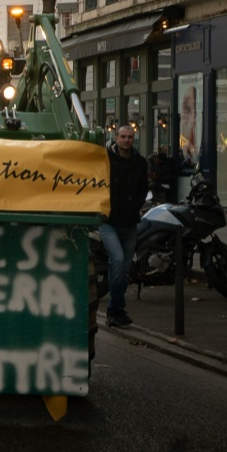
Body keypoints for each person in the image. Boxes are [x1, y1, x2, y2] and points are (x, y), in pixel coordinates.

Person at [103, 124, 148, 327]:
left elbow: (143, 188)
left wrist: (135, 205)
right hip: (108, 221)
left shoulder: (140, 162)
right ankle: (115, 308)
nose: (126, 140)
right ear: (116, 138)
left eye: (130, 137)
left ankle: (116, 310)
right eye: (123, 136)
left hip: (130, 222)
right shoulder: (106, 158)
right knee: (118, 261)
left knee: (125, 268)